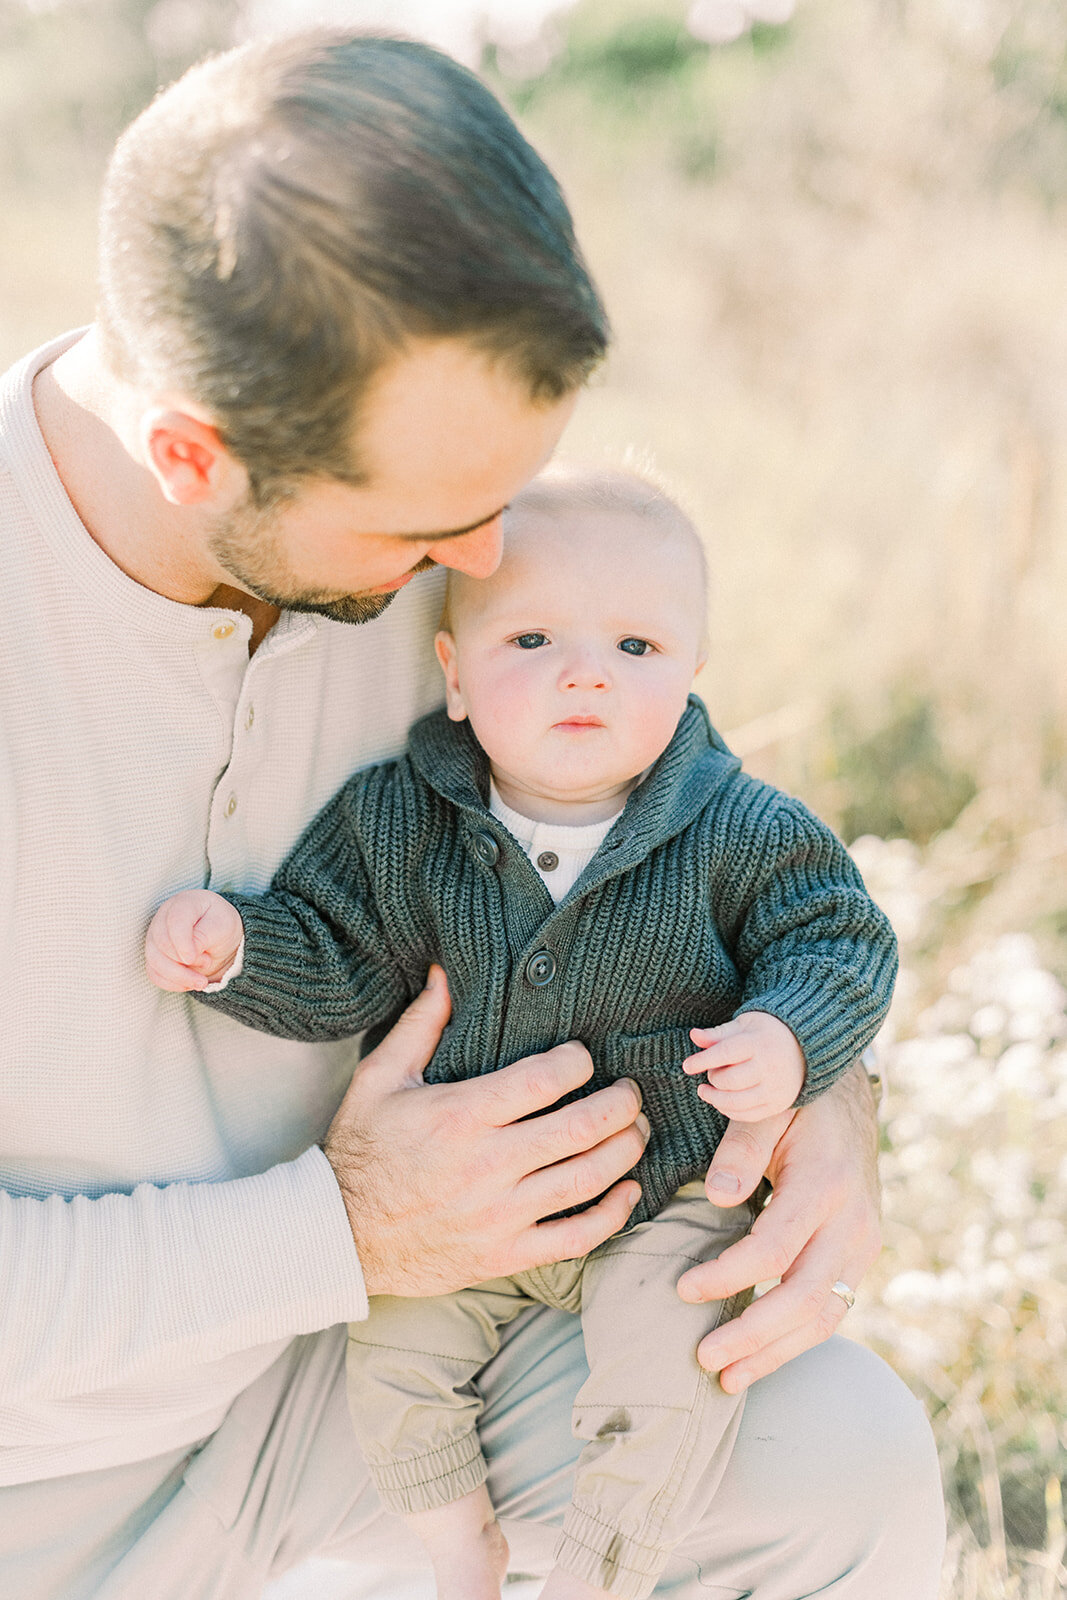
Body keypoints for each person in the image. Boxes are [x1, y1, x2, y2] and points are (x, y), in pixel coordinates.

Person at [0, 25, 945, 1600]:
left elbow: (707, 868)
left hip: (364, 1366)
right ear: (191, 453)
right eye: (431, 526)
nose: (490, 555)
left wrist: (825, 1099)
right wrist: (338, 1231)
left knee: (828, 1459)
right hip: (30, 1468)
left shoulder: (443, 542)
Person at [145, 468, 900, 1600]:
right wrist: (242, 949)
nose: (585, 671)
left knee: (675, 1369)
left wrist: (787, 1041)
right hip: (453, 1223)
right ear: (452, 677)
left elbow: (837, 938)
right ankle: (459, 1547)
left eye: (636, 647)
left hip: (665, 1194)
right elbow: (338, 950)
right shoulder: (403, 818)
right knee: (393, 1356)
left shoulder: (737, 826)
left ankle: (601, 1572)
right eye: (533, 638)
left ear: (693, 673)